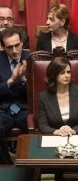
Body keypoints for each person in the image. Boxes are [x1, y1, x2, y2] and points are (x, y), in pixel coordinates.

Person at [38, 56, 78, 135]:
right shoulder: (44, 96)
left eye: (68, 72)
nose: (67, 76)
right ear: (54, 75)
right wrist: (57, 132)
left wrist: (73, 130)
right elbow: (43, 125)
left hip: (76, 136)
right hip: (55, 138)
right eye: (62, 73)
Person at [0, 27, 29, 164]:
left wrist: (23, 80)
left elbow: (40, 93)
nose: (15, 51)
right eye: (9, 47)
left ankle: (32, 167)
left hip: (25, 108)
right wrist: (10, 81)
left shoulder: (33, 59)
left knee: (39, 125)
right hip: (3, 109)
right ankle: (6, 168)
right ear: (2, 47)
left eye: (17, 45)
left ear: (22, 43)